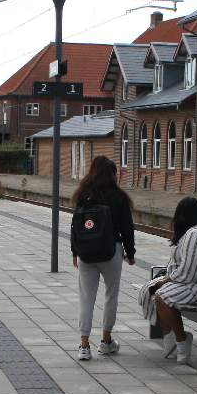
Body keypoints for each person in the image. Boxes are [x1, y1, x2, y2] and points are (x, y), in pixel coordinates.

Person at [71, 155, 136, 362]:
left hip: (86, 254)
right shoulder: (119, 197)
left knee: (86, 297)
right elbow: (127, 228)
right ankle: (106, 341)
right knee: (111, 295)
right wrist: (131, 253)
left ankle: (83, 345)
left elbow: (75, 225)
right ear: (112, 175)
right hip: (112, 252)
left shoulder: (82, 194)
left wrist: (75, 251)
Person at [149, 196, 197, 364]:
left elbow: (189, 273)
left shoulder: (195, 235)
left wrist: (167, 280)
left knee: (161, 296)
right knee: (152, 291)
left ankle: (181, 341)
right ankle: (171, 337)